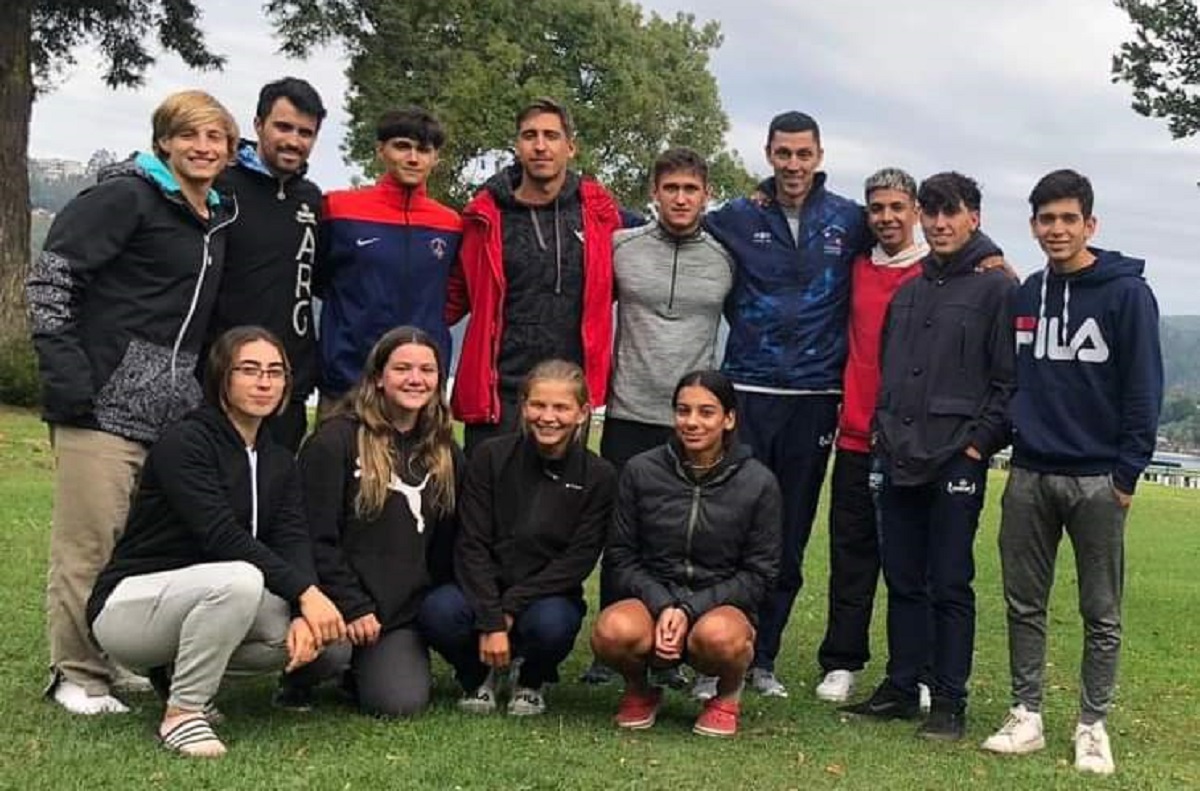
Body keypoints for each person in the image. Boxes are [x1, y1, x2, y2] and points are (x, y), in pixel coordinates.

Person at [26, 89, 241, 715]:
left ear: (229, 150)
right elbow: (51, 282)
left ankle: (114, 654)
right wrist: (71, 381)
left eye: (215, 139)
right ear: (164, 141)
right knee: (88, 545)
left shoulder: (214, 216)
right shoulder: (124, 198)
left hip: (170, 412)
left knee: (140, 548)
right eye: (189, 136)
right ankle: (76, 674)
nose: (203, 148)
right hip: (100, 406)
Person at [85, 326, 345, 757]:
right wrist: (305, 591)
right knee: (239, 578)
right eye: (249, 370)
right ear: (221, 376)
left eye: (275, 372)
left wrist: (305, 607)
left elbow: (292, 536)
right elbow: (220, 536)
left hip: (211, 597)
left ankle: (174, 673)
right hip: (131, 607)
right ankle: (185, 713)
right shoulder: (185, 442)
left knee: (327, 641)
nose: (264, 382)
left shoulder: (278, 457)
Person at [981, 170, 1163, 775]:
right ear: (1033, 226)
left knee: (1101, 610)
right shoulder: (1027, 293)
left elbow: (1143, 388)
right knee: (1023, 603)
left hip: (1097, 479)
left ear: (1091, 224)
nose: (1057, 229)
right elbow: (1013, 381)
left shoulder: (1126, 295)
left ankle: (1092, 725)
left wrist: (1127, 473)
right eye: (1045, 219)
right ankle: (1026, 713)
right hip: (1031, 473)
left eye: (1068, 218)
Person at [843, 172, 1015, 741]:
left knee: (949, 580)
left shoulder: (998, 289)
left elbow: (1007, 382)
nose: (941, 224)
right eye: (933, 213)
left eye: (953, 213)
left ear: (975, 217)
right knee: (902, 577)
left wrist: (976, 446)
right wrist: (886, 437)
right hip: (899, 455)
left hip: (955, 459)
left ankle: (948, 699)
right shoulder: (912, 290)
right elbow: (891, 373)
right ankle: (900, 684)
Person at [703, 110, 869, 697]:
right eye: (783, 153)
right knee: (731, 527)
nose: (793, 164)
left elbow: (913, 239)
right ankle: (716, 657)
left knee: (790, 533)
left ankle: (762, 658)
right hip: (746, 391)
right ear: (768, 154)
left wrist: (989, 255)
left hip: (816, 396)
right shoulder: (737, 217)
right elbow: (665, 222)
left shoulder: (849, 219)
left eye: (804, 154)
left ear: (820, 155)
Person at [579, 147, 734, 687]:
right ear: (655, 192)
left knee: (680, 539)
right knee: (620, 533)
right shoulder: (623, 247)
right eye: (671, 188)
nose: (681, 198)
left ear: (706, 195)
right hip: (627, 411)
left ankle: (674, 652)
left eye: (691, 189)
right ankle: (611, 647)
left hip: (690, 421)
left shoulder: (724, 257)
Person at [419, 360, 616, 716]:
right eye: (538, 405)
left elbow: (577, 562)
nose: (548, 417)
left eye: (561, 407)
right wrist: (492, 617)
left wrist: (509, 609)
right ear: (523, 407)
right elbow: (471, 543)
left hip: (546, 595)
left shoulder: (599, 476)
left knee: (552, 625)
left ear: (583, 413)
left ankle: (531, 679)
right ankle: (477, 676)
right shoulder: (489, 457)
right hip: (480, 589)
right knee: (439, 611)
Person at [591, 370, 781, 738]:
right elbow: (620, 555)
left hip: (719, 606)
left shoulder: (759, 482)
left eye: (706, 412)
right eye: (683, 411)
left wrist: (690, 609)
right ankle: (640, 690)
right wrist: (664, 605)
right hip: (652, 600)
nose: (692, 422)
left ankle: (727, 694)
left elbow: (761, 573)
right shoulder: (641, 470)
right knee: (612, 632)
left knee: (720, 638)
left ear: (729, 419)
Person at [284, 326, 463, 716]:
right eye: (402, 368)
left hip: (398, 615)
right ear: (379, 377)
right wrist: (351, 604)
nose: (415, 379)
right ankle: (301, 678)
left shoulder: (446, 451)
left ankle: (365, 671)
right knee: (331, 653)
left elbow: (448, 543)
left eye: (427, 370)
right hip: (334, 603)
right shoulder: (334, 441)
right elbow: (313, 537)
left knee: (398, 704)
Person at [446, 97, 624, 454]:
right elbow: (452, 297)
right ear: (517, 146)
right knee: (490, 502)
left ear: (570, 147)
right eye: (530, 135)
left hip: (568, 396)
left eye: (551, 136)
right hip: (498, 394)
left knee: (564, 506)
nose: (540, 146)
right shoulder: (484, 218)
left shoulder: (600, 215)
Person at [813, 168, 929, 705]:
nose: (886, 217)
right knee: (851, 559)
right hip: (857, 437)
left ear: (916, 211)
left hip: (914, 447)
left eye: (896, 207)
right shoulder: (855, 266)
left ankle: (916, 670)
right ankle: (842, 661)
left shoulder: (938, 271)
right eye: (877, 208)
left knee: (912, 565)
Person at [316, 107, 463, 413]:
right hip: (348, 381)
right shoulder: (338, 209)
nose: (413, 158)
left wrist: (428, 326)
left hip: (419, 387)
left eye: (424, 150)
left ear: (436, 158)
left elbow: (454, 295)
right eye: (402, 146)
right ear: (380, 150)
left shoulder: (450, 224)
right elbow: (318, 280)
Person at [207, 77, 326, 451]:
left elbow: (316, 283)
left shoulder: (312, 200)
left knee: (273, 498)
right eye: (283, 127)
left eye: (305, 132)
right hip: (218, 378)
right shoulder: (219, 187)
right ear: (258, 125)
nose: (293, 140)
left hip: (286, 388)